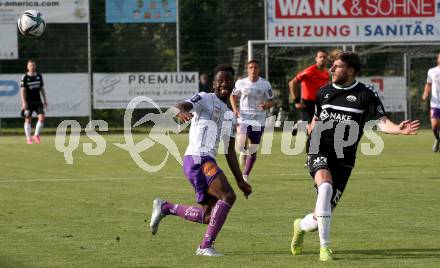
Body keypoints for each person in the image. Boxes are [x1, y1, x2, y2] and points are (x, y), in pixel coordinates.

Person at [290, 52, 420, 261]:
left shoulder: (365, 94)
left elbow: (382, 121)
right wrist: (303, 127)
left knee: (320, 217)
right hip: (318, 147)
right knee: (325, 185)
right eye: (332, 66)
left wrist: (398, 129)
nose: (331, 70)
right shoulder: (323, 92)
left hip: (345, 157)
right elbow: (315, 120)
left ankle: (301, 226)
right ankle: (325, 248)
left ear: (351, 71)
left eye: (337, 66)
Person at [149, 64, 252, 257]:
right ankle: (205, 246)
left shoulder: (229, 114)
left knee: (207, 216)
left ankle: (165, 207)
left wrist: (240, 180)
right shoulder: (206, 98)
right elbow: (183, 104)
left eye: (228, 81)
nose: (224, 84)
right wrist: (180, 111)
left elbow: (230, 150)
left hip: (205, 161)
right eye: (220, 80)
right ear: (214, 83)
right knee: (228, 196)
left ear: (233, 86)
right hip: (198, 159)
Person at [230, 60, 274, 184]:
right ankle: (243, 152)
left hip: (259, 119)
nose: (253, 69)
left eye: (255, 67)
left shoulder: (265, 84)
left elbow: (272, 100)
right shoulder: (241, 83)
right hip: (244, 118)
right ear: (247, 69)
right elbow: (233, 96)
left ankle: (245, 174)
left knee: (253, 147)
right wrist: (235, 109)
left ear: (258, 69)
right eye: (251, 67)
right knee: (241, 142)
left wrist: (266, 106)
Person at [289, 50, 329, 135]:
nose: (322, 59)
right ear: (316, 59)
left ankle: (299, 124)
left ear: (327, 59)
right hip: (307, 103)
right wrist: (296, 101)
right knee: (311, 128)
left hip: (319, 103)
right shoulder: (309, 71)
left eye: (324, 57)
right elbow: (292, 83)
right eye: (320, 57)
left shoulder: (326, 73)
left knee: (317, 126)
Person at [20, 59, 47, 144]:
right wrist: (23, 102)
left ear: (35, 67)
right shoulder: (24, 77)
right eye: (30, 65)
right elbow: (22, 90)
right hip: (28, 102)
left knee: (42, 118)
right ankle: (28, 138)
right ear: (27, 67)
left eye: (33, 65)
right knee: (28, 120)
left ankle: (36, 135)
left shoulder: (39, 76)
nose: (32, 67)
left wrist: (45, 100)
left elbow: (42, 89)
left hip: (38, 101)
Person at [422, 53, 440, 152]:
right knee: (434, 125)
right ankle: (437, 139)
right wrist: (425, 93)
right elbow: (428, 84)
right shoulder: (432, 71)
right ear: (438, 59)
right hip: (435, 102)